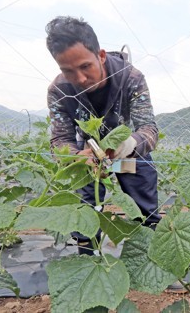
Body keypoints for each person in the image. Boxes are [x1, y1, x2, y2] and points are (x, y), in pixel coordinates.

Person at [45, 16, 160, 255]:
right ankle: (88, 266)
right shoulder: (59, 90)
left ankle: (156, 265)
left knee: (144, 206)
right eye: (68, 71)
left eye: (86, 66)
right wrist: (78, 157)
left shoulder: (131, 78)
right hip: (88, 158)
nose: (80, 79)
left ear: (101, 55)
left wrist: (130, 144)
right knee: (84, 213)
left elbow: (149, 129)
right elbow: (60, 141)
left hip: (127, 155)